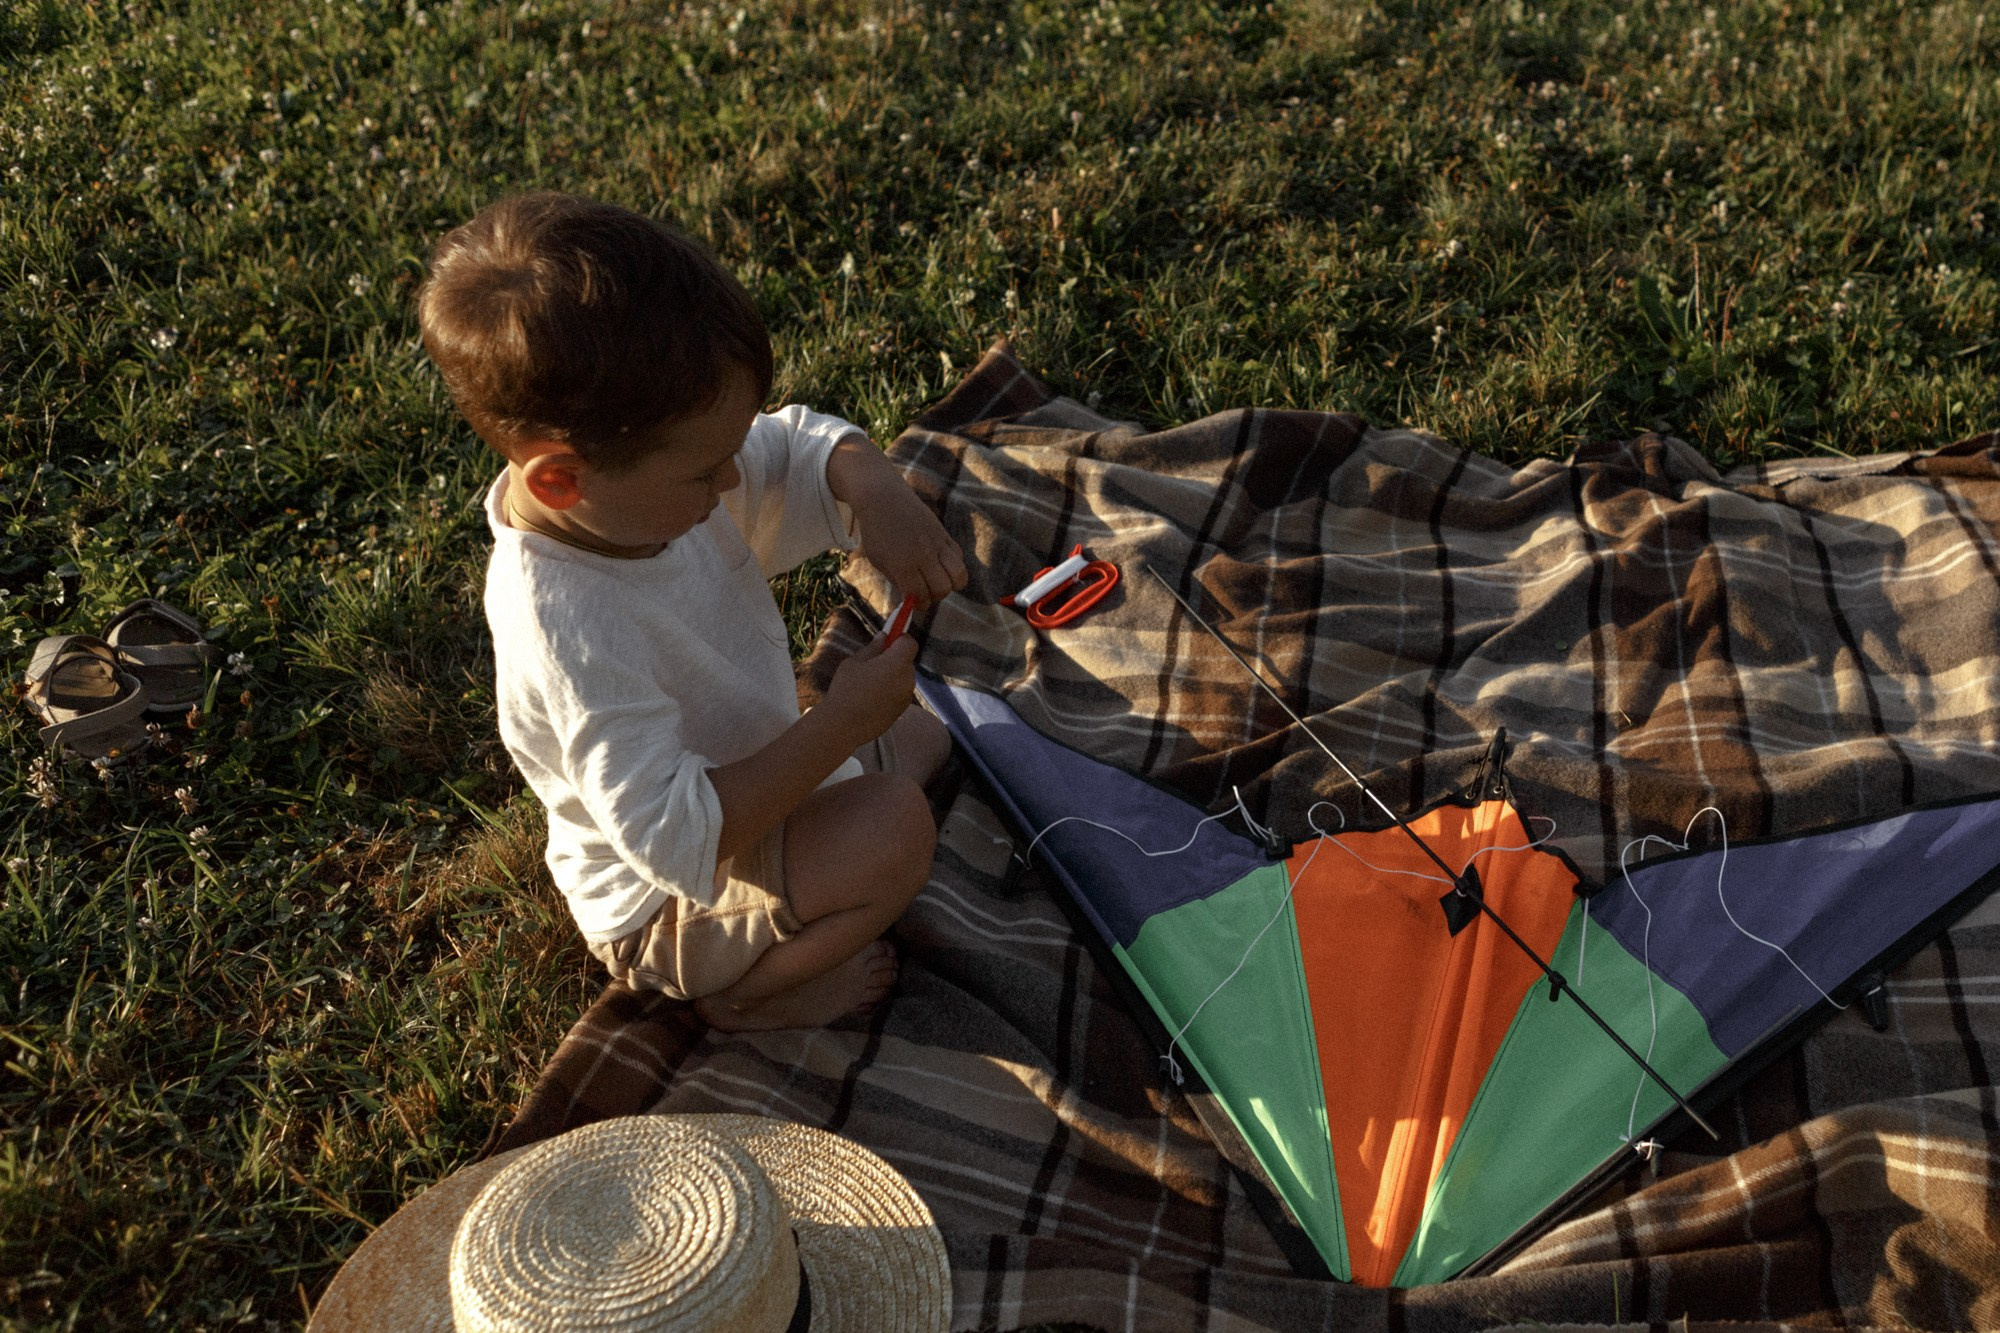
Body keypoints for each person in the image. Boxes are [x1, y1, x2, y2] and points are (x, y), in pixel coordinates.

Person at [417, 191, 966, 1031]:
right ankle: (749, 996)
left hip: (750, 771)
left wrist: (872, 487)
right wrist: (840, 727)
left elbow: (793, 448)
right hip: (667, 899)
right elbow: (681, 837)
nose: (731, 484)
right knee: (897, 830)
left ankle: (820, 835)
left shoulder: (632, 489)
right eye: (706, 471)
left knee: (931, 734)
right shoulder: (566, 629)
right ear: (559, 477)